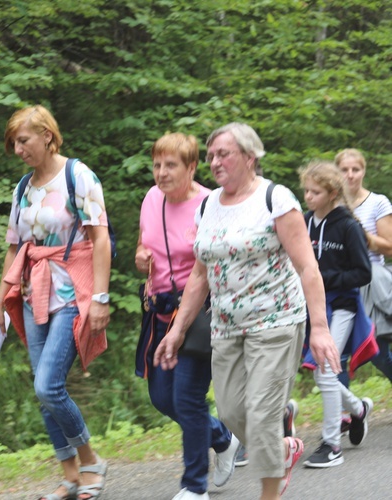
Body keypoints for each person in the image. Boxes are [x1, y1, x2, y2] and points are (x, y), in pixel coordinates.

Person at [154, 122, 340, 500]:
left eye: (223, 154)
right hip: (224, 327)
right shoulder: (207, 206)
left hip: (276, 322)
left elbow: (308, 267)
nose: (214, 162)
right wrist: (176, 330)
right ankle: (283, 448)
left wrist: (319, 328)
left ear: (250, 157)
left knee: (260, 413)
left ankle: (269, 492)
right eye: (210, 156)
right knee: (231, 414)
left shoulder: (275, 199)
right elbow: (199, 277)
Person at [0, 105, 111, 500]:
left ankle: (91, 460)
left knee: (48, 386)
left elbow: (101, 239)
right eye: (13, 144)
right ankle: (70, 476)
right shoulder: (23, 187)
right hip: (31, 294)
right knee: (43, 389)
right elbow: (14, 249)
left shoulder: (79, 176)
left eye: (22, 141)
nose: (17, 150)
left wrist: (100, 298)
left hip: (71, 293)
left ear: (46, 134)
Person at [134, 133, 238, 500]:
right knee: (163, 399)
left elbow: (214, 265)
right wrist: (141, 259)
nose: (161, 173)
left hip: (200, 314)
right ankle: (222, 439)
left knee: (188, 398)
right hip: (160, 312)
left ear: (192, 168)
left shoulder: (211, 204)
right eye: (157, 165)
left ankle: (195, 487)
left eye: (171, 165)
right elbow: (143, 245)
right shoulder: (150, 198)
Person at [299, 160, 375, 468]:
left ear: (332, 193)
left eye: (315, 192)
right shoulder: (303, 222)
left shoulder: (348, 225)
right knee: (322, 372)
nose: (308, 197)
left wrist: (324, 278)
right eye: (306, 190)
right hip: (310, 307)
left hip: (342, 306)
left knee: (326, 372)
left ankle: (332, 444)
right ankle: (357, 410)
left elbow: (363, 272)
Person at [335, 148, 392, 384]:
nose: (350, 175)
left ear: (363, 172)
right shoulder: (329, 205)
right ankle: (344, 416)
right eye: (344, 170)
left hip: (369, 284)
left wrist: (359, 235)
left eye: (355, 169)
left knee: (377, 353)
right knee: (337, 354)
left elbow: (389, 247)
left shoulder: (377, 202)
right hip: (337, 284)